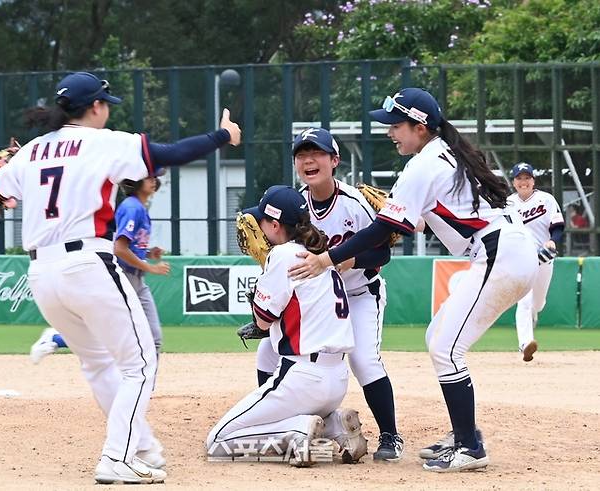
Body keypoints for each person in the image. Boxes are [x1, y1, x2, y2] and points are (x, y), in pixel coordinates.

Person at [0, 71, 240, 484]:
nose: (107, 110)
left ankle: (139, 448)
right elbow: (172, 153)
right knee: (140, 364)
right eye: (106, 104)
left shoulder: (31, 151)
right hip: (88, 263)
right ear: (96, 107)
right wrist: (222, 136)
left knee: (99, 365)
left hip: (41, 272)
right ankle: (116, 457)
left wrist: (9, 170)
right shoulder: (105, 142)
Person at [288, 88, 538, 472]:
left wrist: (327, 258)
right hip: (506, 251)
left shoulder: (423, 164)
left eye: (396, 125)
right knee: (439, 338)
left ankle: (470, 447)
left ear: (420, 126)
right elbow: (417, 220)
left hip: (499, 254)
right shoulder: (445, 153)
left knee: (445, 347)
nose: (390, 132)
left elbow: (384, 229)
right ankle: (465, 433)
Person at [254, 127, 403, 462]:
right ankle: (276, 424)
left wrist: (344, 258)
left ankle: (390, 436)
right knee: (267, 353)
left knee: (364, 361)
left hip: (360, 292)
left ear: (334, 160)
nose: (309, 160)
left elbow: (383, 255)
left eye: (317, 153)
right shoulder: (294, 203)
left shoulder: (354, 204)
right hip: (319, 299)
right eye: (301, 155)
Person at [206, 185, 366, 466]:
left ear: (275, 224)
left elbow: (263, 321)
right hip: (337, 379)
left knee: (217, 440)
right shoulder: (321, 255)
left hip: (302, 378)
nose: (258, 228)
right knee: (275, 408)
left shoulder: (281, 255)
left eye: (263, 221)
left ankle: (295, 432)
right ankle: (335, 426)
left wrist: (259, 294)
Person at [30, 175, 169, 363]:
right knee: (114, 336)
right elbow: (119, 249)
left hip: (136, 279)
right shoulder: (132, 207)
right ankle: (55, 339)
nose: (153, 180)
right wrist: (150, 268)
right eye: (148, 177)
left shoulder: (139, 207)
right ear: (136, 182)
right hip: (122, 276)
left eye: (154, 177)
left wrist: (150, 253)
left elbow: (129, 245)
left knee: (152, 337)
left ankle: (144, 387)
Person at [508, 162, 564, 362]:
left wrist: (552, 241)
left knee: (537, 304)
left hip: (544, 258)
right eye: (519, 178)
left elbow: (557, 226)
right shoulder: (508, 204)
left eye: (526, 178)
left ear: (533, 180)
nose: (523, 182)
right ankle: (525, 344)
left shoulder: (545, 200)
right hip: (522, 260)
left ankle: (535, 314)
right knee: (523, 301)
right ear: (514, 182)